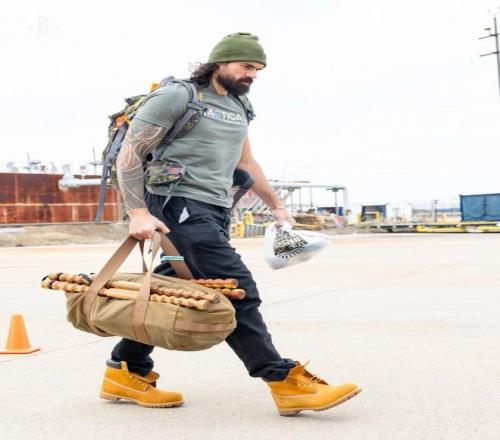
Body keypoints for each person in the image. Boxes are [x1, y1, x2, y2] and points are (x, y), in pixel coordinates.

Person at [100, 32, 361, 416]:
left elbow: (246, 163)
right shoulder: (178, 96)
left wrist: (277, 206)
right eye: (246, 66)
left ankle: (125, 371)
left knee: (168, 290)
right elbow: (131, 153)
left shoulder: (239, 105)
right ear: (219, 62)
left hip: (216, 210)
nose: (252, 74)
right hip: (177, 205)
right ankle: (282, 380)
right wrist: (137, 211)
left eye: (257, 69)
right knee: (236, 288)